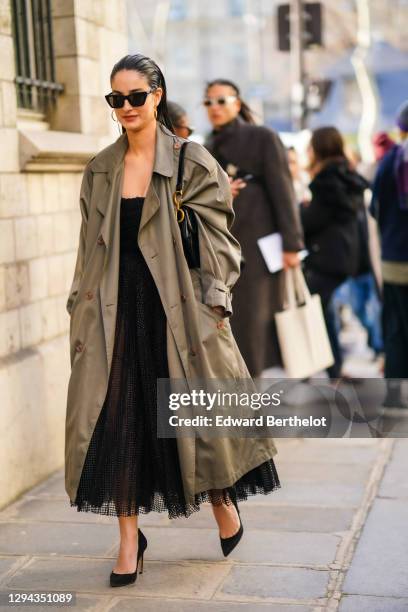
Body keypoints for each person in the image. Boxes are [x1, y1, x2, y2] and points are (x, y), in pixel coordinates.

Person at [65, 54, 281, 588]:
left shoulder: (191, 161)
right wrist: (79, 306)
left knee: (194, 420)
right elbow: (87, 252)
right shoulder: (99, 169)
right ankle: (127, 540)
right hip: (115, 315)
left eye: (135, 96)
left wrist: (215, 304)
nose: (126, 108)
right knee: (117, 422)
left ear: (157, 95)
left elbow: (223, 246)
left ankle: (222, 501)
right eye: (116, 99)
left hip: (179, 312)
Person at [203, 78, 304, 378]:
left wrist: (292, 244)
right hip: (222, 247)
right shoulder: (207, 145)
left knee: (253, 321)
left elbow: (283, 191)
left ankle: (253, 394)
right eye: (208, 102)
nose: (214, 107)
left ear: (237, 102)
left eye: (222, 100)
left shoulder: (262, 137)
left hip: (258, 245)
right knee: (227, 322)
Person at [300, 126, 368, 380]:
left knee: (307, 307)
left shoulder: (326, 179)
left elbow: (314, 220)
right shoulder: (348, 173)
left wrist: (301, 211)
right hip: (346, 255)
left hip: (326, 256)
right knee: (325, 311)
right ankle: (333, 368)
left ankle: (307, 365)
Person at [370, 101, 408, 416]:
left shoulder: (390, 161)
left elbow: (374, 208)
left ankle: (394, 393)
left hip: (395, 259)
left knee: (395, 324)